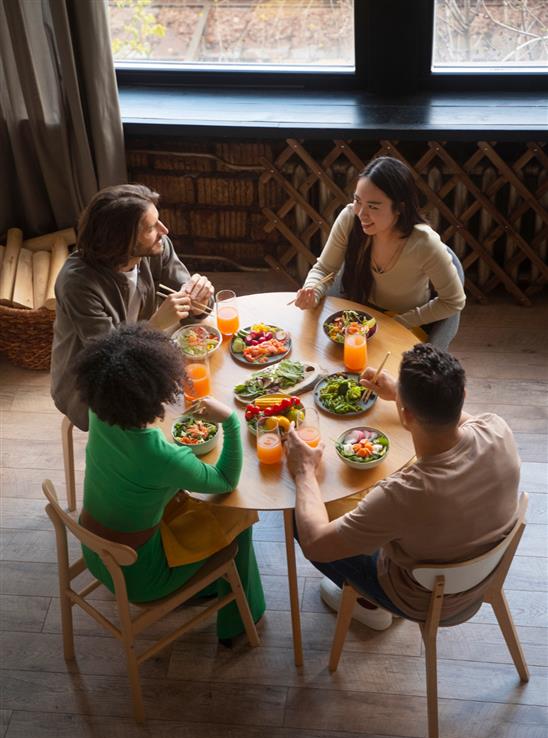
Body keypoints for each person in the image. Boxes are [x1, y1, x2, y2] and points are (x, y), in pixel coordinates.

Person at [285, 344, 520, 631]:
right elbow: (457, 419)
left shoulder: (403, 494)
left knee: (296, 518)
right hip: (485, 575)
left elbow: (315, 544)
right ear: (463, 397)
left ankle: (370, 607)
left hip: (419, 597)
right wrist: (399, 392)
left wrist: (304, 470)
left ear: (405, 415)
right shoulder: (498, 428)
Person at [74, 323, 265, 644]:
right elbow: (224, 480)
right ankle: (240, 623)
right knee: (239, 515)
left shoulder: (99, 411)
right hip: (140, 575)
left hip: (97, 551)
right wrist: (230, 421)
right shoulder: (156, 453)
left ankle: (211, 587)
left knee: (185, 502)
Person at [51, 183, 215, 431]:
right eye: (151, 227)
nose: (164, 230)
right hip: (95, 385)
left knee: (207, 390)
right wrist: (157, 324)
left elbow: (194, 305)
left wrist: (200, 299)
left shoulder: (157, 249)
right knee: (177, 423)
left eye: (158, 221)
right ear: (121, 239)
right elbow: (110, 362)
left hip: (145, 358)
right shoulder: (77, 283)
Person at [293, 157, 466, 351]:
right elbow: (324, 268)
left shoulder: (425, 244)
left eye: (373, 207)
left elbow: (453, 301)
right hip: (359, 318)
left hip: (406, 325)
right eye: (357, 201)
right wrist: (312, 291)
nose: (361, 214)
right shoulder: (350, 219)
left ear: (400, 208)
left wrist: (399, 322)